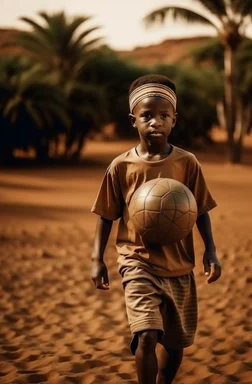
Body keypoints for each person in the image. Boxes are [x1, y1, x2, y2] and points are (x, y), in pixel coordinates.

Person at [91, 74, 222, 384]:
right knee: (148, 334)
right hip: (137, 262)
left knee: (176, 346)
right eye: (147, 115)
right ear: (133, 119)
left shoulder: (187, 163)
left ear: (174, 120)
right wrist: (97, 258)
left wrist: (211, 251)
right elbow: (106, 215)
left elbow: (201, 210)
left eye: (164, 115)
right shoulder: (121, 167)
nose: (155, 122)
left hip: (178, 265)